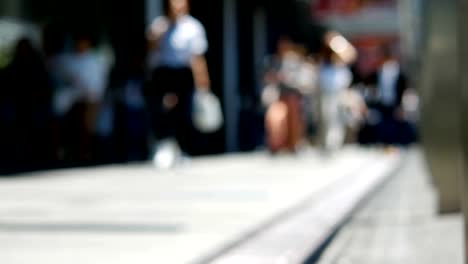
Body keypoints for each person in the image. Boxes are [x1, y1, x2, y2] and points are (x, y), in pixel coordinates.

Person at [146, 0, 211, 157]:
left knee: (184, 111)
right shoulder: (159, 25)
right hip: (163, 73)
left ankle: (184, 149)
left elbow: (197, 58)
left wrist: (203, 83)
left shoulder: (193, 27)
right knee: (162, 111)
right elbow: (150, 50)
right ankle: (164, 145)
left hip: (183, 73)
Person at [317, 43, 353, 153]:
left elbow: (346, 81)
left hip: (339, 97)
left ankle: (335, 144)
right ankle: (327, 144)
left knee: (338, 121)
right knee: (327, 121)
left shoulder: (341, 68)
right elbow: (320, 82)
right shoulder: (324, 67)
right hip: (327, 97)